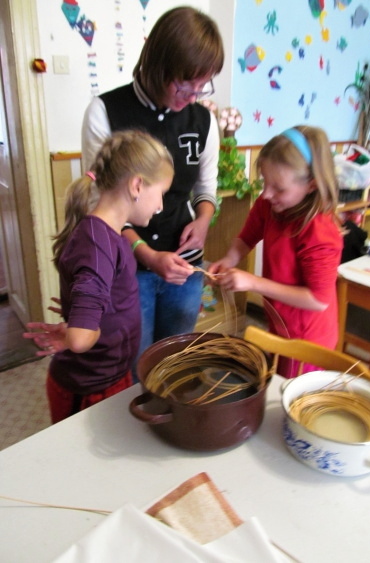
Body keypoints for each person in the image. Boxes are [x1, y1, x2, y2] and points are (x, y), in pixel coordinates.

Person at [81, 7, 225, 358]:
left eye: (202, 85)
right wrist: (145, 253)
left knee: (175, 359)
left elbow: (206, 188)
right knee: (133, 361)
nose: (193, 95)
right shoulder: (106, 111)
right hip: (127, 266)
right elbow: (99, 203)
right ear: (158, 65)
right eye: (185, 83)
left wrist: (203, 221)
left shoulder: (203, 120)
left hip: (185, 266)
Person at [23, 130, 174, 422]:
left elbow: (101, 297)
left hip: (110, 375)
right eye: (161, 194)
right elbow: (81, 340)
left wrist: (83, 317)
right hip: (89, 388)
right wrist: (76, 331)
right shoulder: (98, 245)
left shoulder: (108, 235)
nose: (161, 206)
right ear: (137, 185)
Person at [208, 126, 343, 377]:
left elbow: (318, 299)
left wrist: (253, 282)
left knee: (290, 392)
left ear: (311, 185)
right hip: (281, 324)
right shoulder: (269, 204)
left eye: (278, 188)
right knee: (276, 380)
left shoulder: (320, 231)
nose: (267, 194)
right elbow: (246, 238)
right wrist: (229, 259)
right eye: (264, 183)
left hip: (307, 340)